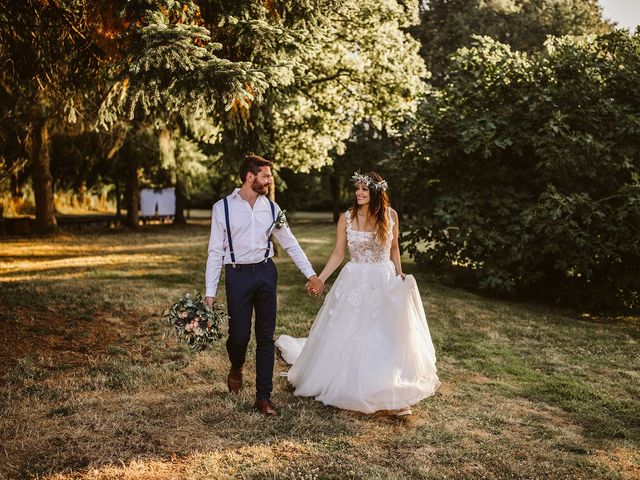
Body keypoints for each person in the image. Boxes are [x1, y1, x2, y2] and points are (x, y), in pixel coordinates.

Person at [276, 171, 441, 415]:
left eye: (365, 190)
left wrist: (400, 274)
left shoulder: (390, 215)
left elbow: (394, 248)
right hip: (355, 280)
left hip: (383, 279)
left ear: (376, 192)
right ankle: (350, 382)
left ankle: (392, 389)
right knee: (351, 332)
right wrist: (319, 279)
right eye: (358, 189)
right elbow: (337, 254)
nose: (359, 193)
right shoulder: (347, 217)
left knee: (385, 334)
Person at [204, 154, 325, 416]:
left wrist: (311, 274)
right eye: (266, 176)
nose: (270, 180)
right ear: (250, 177)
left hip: (266, 273)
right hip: (237, 275)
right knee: (239, 336)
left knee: (265, 337)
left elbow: (290, 243)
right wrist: (209, 293)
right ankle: (236, 366)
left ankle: (263, 397)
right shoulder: (222, 208)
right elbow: (215, 251)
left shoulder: (272, 208)